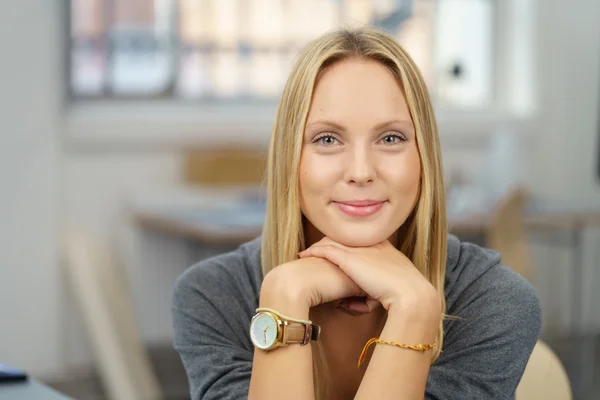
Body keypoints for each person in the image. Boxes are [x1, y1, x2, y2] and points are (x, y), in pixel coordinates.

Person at [172, 28, 541, 400]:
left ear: (423, 159)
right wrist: (285, 294)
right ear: (290, 159)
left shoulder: (494, 303)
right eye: (327, 139)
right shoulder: (214, 296)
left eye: (391, 138)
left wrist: (413, 307)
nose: (361, 171)